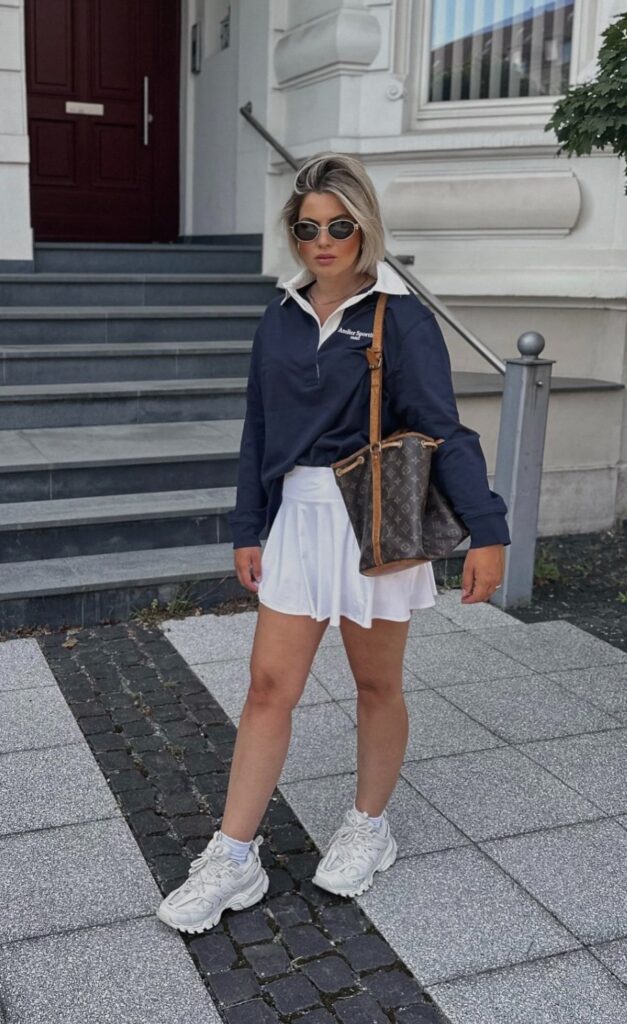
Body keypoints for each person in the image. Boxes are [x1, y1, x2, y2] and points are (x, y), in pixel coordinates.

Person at [157, 152, 510, 934]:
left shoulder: (397, 314)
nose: (324, 241)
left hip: (373, 516)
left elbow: (441, 429)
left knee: (375, 685)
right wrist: (248, 525)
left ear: (364, 228)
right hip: (296, 520)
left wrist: (487, 529)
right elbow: (258, 428)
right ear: (293, 232)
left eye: (340, 226)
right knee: (266, 687)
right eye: (307, 227)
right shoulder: (280, 315)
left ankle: (368, 825)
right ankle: (233, 856)